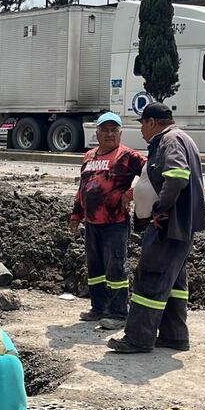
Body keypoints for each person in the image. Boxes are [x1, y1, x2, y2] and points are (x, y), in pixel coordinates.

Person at [108, 102, 205, 354]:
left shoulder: (170, 140)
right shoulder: (180, 138)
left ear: (151, 122)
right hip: (179, 226)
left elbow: (176, 176)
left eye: (141, 123)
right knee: (173, 282)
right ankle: (174, 335)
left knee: (150, 277)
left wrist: (160, 209)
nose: (140, 129)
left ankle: (138, 338)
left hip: (167, 225)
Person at [69, 111, 147, 329]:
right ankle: (98, 307)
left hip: (115, 223)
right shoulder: (89, 156)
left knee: (116, 268)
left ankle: (119, 313)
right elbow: (82, 188)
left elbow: (152, 174)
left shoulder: (127, 156)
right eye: (105, 130)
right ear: (98, 133)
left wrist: (130, 194)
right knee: (95, 267)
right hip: (92, 223)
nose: (109, 134)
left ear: (120, 133)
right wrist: (76, 215)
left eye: (114, 130)